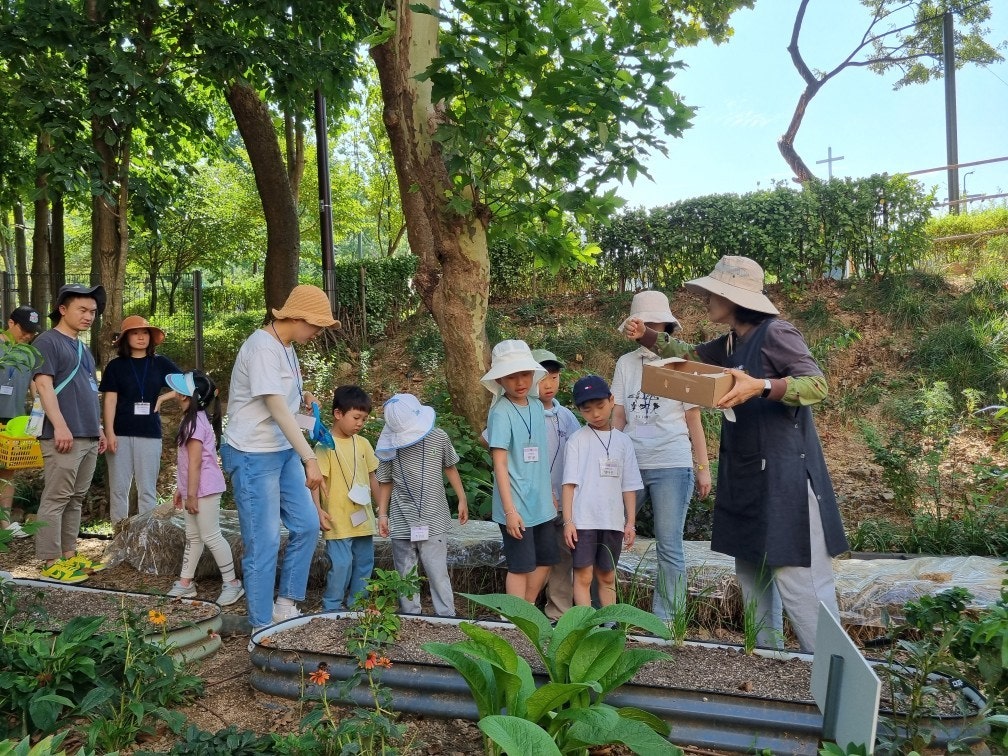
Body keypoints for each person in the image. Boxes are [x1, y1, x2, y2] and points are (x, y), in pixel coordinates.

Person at [624, 255, 848, 652]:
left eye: (712, 292)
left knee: (799, 580)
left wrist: (761, 386)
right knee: (751, 570)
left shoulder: (777, 332)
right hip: (745, 472)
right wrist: (647, 336)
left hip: (785, 477)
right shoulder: (729, 342)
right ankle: (767, 658)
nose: (705, 298)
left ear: (734, 297)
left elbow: (816, 385)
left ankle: (836, 678)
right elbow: (689, 354)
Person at [220, 284, 337, 632]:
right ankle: (260, 625)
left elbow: (284, 405)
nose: (317, 333)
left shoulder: (287, 347)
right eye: (316, 326)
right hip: (253, 453)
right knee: (264, 540)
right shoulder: (261, 347)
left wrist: (303, 402)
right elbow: (275, 409)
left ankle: (285, 604)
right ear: (297, 318)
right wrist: (309, 458)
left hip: (282, 448)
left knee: (307, 524)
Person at [613, 290, 711, 619]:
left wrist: (703, 467)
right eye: (645, 323)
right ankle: (603, 615)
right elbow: (618, 416)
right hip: (631, 463)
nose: (652, 330)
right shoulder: (625, 364)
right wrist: (610, 462)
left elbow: (692, 417)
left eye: (658, 324)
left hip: (672, 461)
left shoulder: (679, 363)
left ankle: (666, 623)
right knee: (609, 534)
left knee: (669, 545)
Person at [33, 283, 108, 583]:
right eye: (82, 309)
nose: (89, 316)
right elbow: (43, 385)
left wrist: (99, 428)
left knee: (76, 498)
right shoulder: (47, 342)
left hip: (88, 435)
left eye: (92, 311)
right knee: (57, 497)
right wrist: (61, 425)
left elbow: (88, 390)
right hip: (63, 435)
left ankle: (68, 555)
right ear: (63, 309)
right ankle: (51, 560)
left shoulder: (82, 348)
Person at [375, 393, 469, 617]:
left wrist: (462, 499)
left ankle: (446, 617)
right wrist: (382, 514)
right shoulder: (390, 444)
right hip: (400, 518)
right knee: (405, 573)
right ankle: (410, 616)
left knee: (437, 571)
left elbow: (450, 467)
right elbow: (385, 481)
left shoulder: (439, 437)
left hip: (433, 517)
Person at [481, 339, 558, 603]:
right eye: (511, 376)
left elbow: (541, 454)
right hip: (515, 504)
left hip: (541, 501)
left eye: (525, 374)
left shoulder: (536, 406)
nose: (520, 381)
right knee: (521, 565)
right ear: (500, 380)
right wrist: (510, 511)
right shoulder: (500, 412)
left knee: (546, 560)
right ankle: (516, 620)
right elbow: (499, 463)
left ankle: (526, 609)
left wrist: (549, 491)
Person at [164, 371, 244, 606]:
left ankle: (232, 583)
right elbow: (188, 464)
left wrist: (191, 494)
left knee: (210, 535)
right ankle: (186, 583)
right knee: (193, 536)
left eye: (180, 391)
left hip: (204, 490)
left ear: (188, 397)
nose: (176, 394)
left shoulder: (195, 423)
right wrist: (182, 489)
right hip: (196, 489)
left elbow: (197, 462)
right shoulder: (191, 420)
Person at [561, 375, 642, 608]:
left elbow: (629, 485)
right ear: (579, 411)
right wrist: (568, 522)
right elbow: (569, 484)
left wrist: (630, 522)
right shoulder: (577, 440)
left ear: (611, 400)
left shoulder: (624, 442)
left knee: (607, 575)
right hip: (583, 520)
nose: (595, 414)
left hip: (613, 520)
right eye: (587, 410)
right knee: (583, 575)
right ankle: (585, 625)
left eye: (600, 406)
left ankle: (610, 625)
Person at [99, 315, 181, 523]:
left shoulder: (160, 363)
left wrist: (164, 397)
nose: (141, 337)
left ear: (151, 337)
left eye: (144, 333)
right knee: (119, 490)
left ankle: (146, 537)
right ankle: (119, 537)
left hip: (149, 432)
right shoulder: (115, 366)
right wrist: (109, 433)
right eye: (135, 333)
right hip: (120, 433)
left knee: (147, 489)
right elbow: (109, 401)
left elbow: (189, 383)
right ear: (126, 338)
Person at [311, 385, 380, 612]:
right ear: (338, 414)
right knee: (341, 564)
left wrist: (382, 511)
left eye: (364, 419)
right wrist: (318, 510)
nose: (360, 423)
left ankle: (357, 605)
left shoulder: (363, 444)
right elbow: (315, 482)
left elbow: (373, 477)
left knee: (364, 562)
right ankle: (331, 607)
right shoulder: (324, 445)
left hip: (363, 517)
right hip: (337, 517)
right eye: (356, 417)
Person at [531, 349, 580, 621]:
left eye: (555, 377)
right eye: (543, 378)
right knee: (535, 558)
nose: (549, 384)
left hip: (563, 503)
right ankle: (524, 609)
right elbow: (489, 440)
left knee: (563, 558)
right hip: (533, 503)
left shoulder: (568, 417)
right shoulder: (521, 411)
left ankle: (558, 614)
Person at [0, 305, 41, 538]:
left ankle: (5, 524)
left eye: (32, 332)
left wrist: (39, 411)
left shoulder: (29, 354)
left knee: (7, 472)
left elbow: (35, 387)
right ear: (11, 323)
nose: (27, 335)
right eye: (24, 330)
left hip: (13, 420)